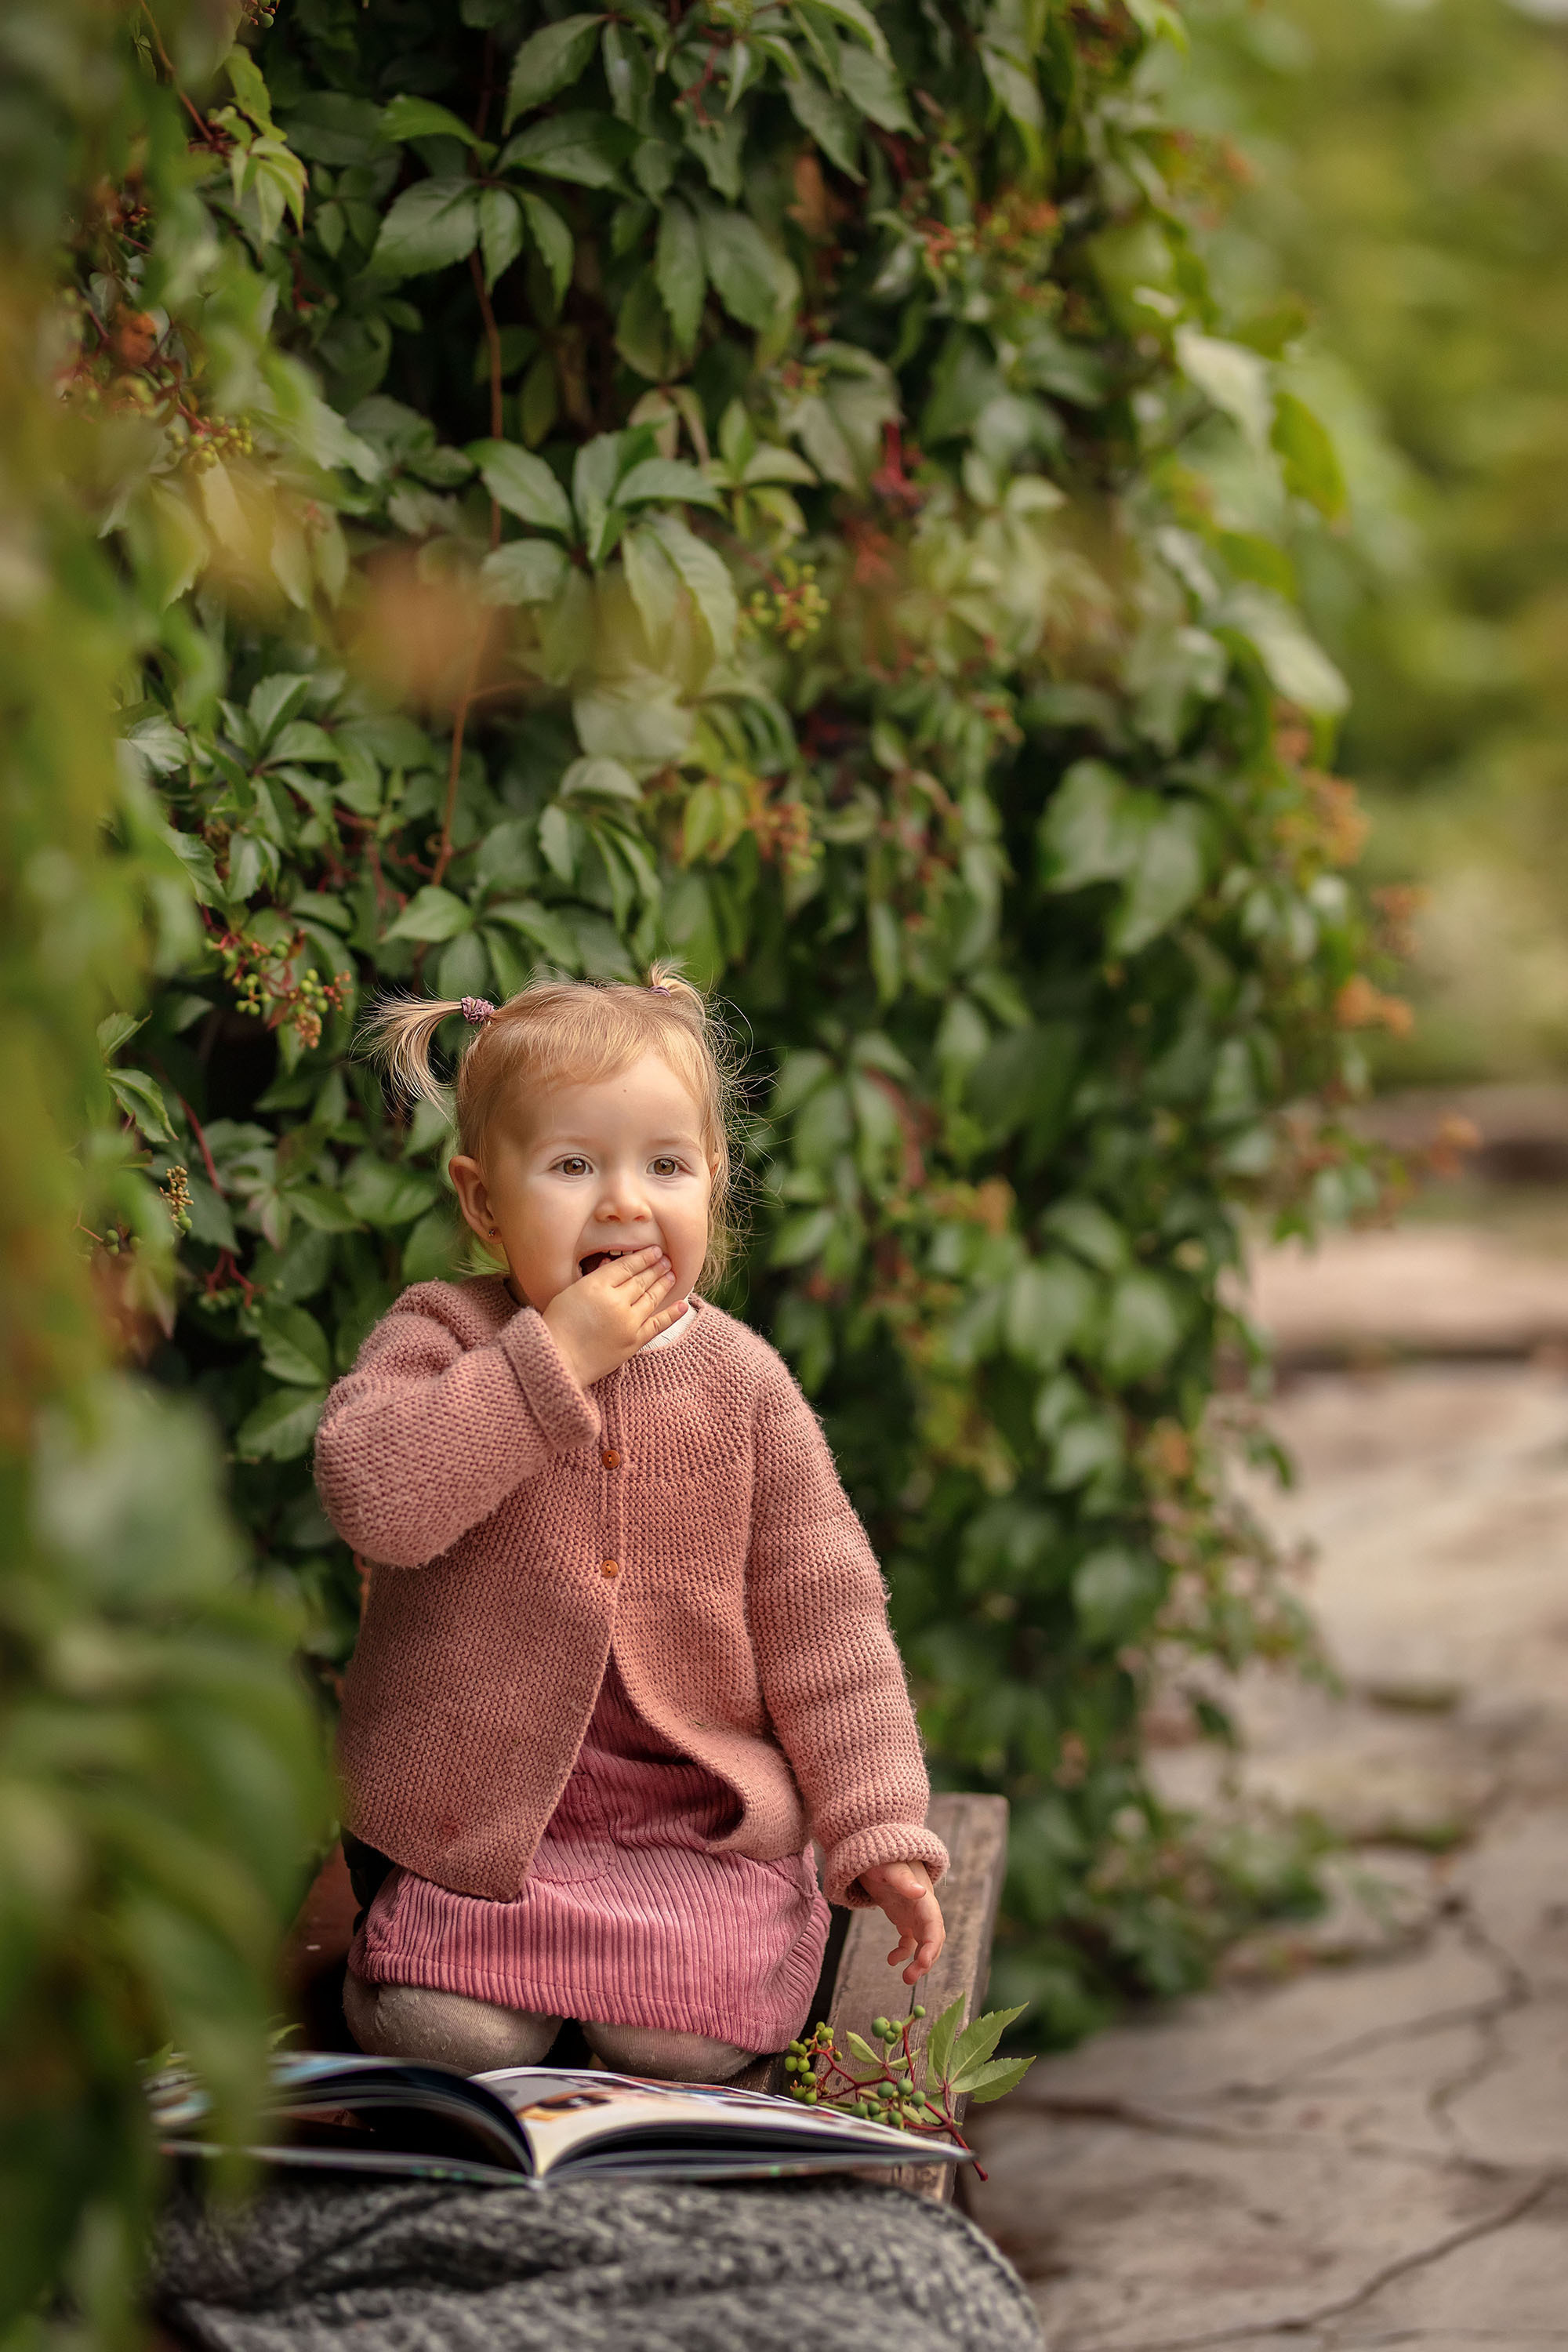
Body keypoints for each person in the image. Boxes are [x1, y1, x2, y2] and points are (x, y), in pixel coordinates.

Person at [314, 966, 947, 2084]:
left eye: (665, 1165)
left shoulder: (744, 1389)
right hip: (486, 1838)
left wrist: (880, 1828)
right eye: (572, 1166)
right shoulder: (448, 1337)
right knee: (447, 2040)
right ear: (482, 1200)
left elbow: (832, 1632)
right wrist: (550, 1360)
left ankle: (642, 2005)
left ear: (714, 1185)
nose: (623, 1202)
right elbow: (376, 1498)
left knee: (678, 2039)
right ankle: (470, 1996)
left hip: (688, 1832)